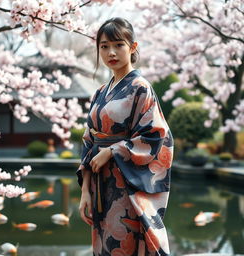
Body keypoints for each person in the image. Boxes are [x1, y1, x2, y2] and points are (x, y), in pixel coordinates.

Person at [77, 17, 174, 256]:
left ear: (132, 47)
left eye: (118, 45)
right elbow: (89, 140)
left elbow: (154, 136)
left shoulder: (141, 87)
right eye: (104, 46)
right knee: (105, 244)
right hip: (101, 183)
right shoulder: (101, 91)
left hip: (127, 183)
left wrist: (112, 150)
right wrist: (85, 191)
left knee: (125, 244)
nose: (111, 52)